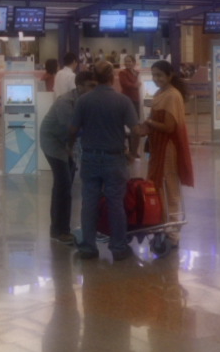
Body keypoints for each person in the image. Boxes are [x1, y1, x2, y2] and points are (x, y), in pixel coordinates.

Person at [67, 61, 138, 261]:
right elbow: (135, 131)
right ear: (112, 77)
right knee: (116, 203)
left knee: (89, 202)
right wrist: (133, 153)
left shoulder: (84, 101)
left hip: (90, 157)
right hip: (114, 158)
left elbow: (72, 129)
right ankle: (118, 247)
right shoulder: (123, 101)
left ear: (95, 78)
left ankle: (88, 247)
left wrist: (69, 147)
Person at [40, 69, 94, 243]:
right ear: (79, 86)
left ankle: (58, 227)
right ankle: (59, 230)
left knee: (65, 184)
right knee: (63, 184)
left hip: (66, 143)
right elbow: (71, 128)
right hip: (53, 142)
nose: (93, 89)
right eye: (90, 86)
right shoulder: (65, 102)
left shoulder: (85, 100)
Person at [143, 60, 195, 225]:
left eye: (159, 75)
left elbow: (169, 127)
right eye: (153, 75)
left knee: (169, 184)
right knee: (157, 184)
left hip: (167, 148)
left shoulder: (172, 95)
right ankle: (161, 221)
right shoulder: (160, 93)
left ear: (170, 75)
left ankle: (172, 227)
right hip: (157, 146)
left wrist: (149, 122)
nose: (155, 78)